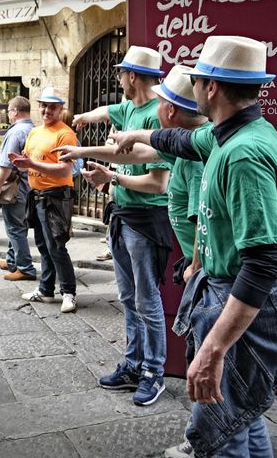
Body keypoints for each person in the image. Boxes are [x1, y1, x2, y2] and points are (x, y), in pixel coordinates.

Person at [113, 36, 277, 457]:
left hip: (260, 306)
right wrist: (135, 132)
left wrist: (213, 348)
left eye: (199, 80)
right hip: (247, 298)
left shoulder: (243, 155)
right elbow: (180, 143)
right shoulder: (231, 134)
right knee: (238, 414)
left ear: (211, 88)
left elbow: (263, 262)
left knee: (217, 424)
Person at [71, 46, 171, 406]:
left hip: (146, 221)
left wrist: (111, 175)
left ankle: (153, 372)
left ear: (131, 76)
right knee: (128, 298)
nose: (117, 79)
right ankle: (132, 364)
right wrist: (83, 115)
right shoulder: (127, 108)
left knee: (147, 300)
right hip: (122, 217)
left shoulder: (158, 115)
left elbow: (157, 183)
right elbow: (104, 111)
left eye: (120, 74)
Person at [55, 65, 208, 284]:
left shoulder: (194, 161)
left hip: (201, 266)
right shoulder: (184, 146)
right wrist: (83, 151)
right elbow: (139, 154)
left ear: (170, 110)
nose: (157, 106)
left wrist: (195, 266)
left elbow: (203, 223)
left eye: (161, 101)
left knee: (146, 299)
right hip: (192, 261)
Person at [10, 86, 78, 313]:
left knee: (56, 246)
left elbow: (64, 171)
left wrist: (30, 165)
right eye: (44, 105)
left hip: (56, 197)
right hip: (36, 196)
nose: (47, 110)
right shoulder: (34, 132)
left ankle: (69, 292)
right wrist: (22, 160)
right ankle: (46, 290)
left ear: (60, 109)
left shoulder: (65, 133)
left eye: (52, 106)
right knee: (43, 245)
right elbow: (33, 158)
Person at [0, 96, 36, 281]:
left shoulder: (16, 132)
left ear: (15, 111)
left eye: (9, 111)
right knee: (18, 225)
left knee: (15, 227)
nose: (8, 115)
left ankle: (25, 268)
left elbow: (6, 165)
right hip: (29, 186)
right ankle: (12, 260)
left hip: (15, 187)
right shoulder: (33, 129)